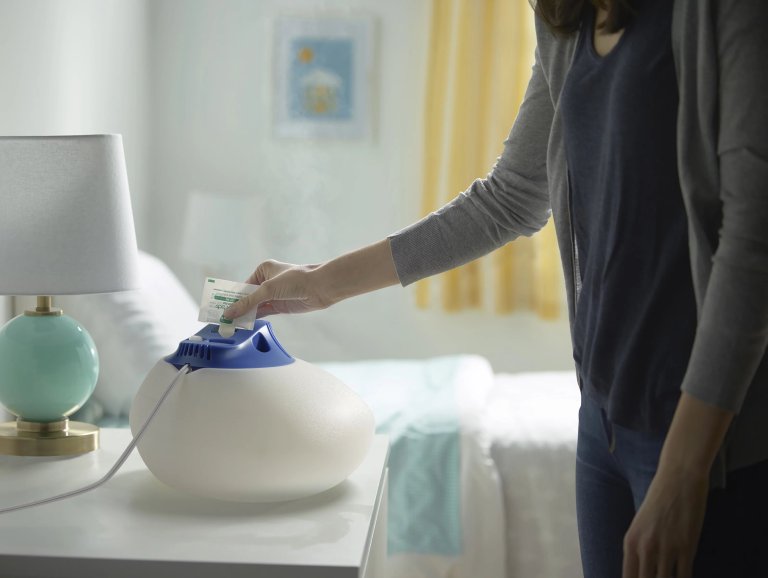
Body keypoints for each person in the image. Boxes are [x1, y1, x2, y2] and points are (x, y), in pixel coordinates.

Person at [224, 0, 768, 576]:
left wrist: (685, 469)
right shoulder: (566, 20)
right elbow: (510, 197)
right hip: (603, 420)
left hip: (707, 441)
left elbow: (753, 243)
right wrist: (320, 283)